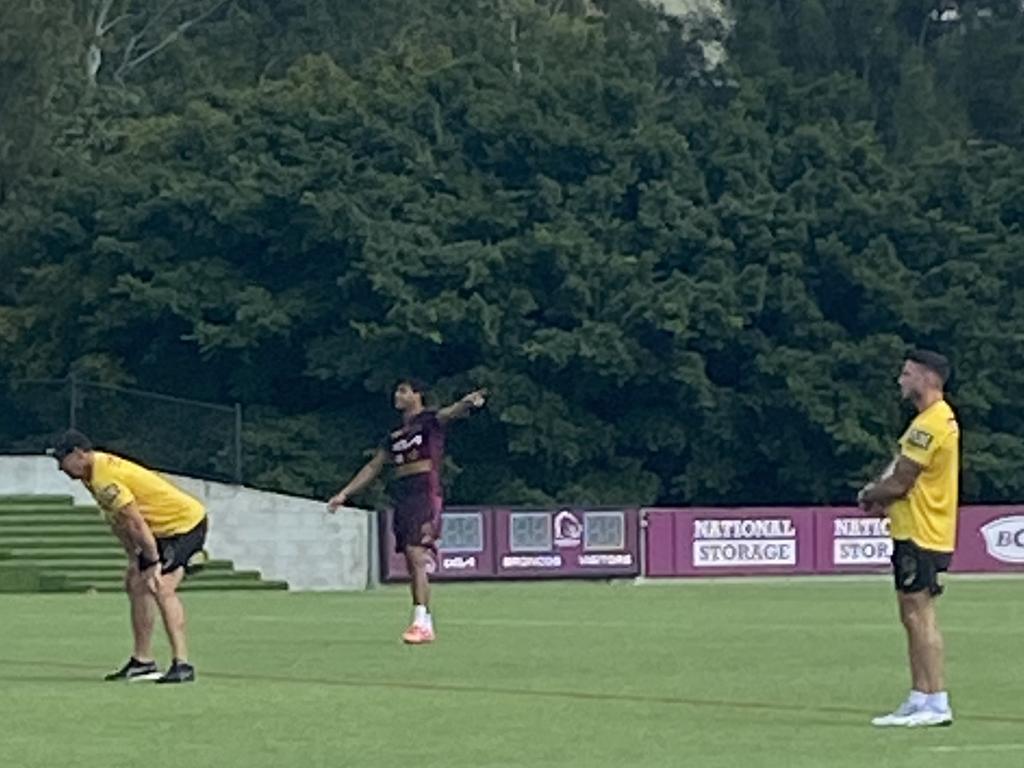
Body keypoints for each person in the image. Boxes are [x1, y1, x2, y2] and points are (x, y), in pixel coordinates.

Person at [328, 380, 486, 644]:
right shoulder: (395, 435)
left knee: (416, 553)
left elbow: (449, 413)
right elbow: (373, 466)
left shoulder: (428, 421)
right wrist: (345, 493)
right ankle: (423, 620)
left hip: (425, 494)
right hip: (404, 498)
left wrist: (466, 403)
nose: (397, 395)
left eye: (403, 390)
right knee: (412, 562)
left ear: (417, 394)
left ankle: (422, 621)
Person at [50, 429, 208, 683]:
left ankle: (182, 664)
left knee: (161, 587)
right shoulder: (90, 475)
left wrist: (154, 562)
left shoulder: (104, 477)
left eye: (62, 460)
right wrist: (135, 559)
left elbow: (135, 522)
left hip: (184, 524)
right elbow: (119, 521)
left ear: (79, 454)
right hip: (158, 528)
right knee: (135, 581)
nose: (61, 468)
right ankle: (142, 661)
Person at [858, 350, 959, 728]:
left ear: (928, 377)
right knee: (910, 613)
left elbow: (901, 481)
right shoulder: (930, 420)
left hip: (922, 530)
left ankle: (936, 700)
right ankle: (920, 696)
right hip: (914, 529)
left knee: (920, 614)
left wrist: (870, 494)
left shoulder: (929, 424)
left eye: (907, 374)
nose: (901, 380)